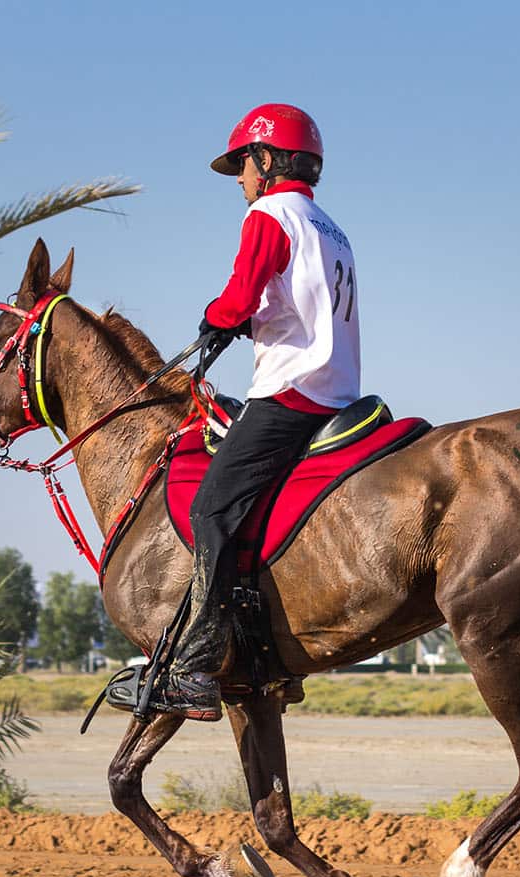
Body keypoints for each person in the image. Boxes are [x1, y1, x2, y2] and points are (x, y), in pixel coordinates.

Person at [110, 102, 362, 721]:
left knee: (210, 508)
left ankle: (197, 668)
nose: (241, 181)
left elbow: (241, 293)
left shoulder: (269, 214)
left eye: (244, 166)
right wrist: (246, 324)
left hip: (291, 391)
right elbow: (296, 306)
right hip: (338, 390)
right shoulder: (331, 228)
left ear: (268, 159)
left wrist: (217, 319)